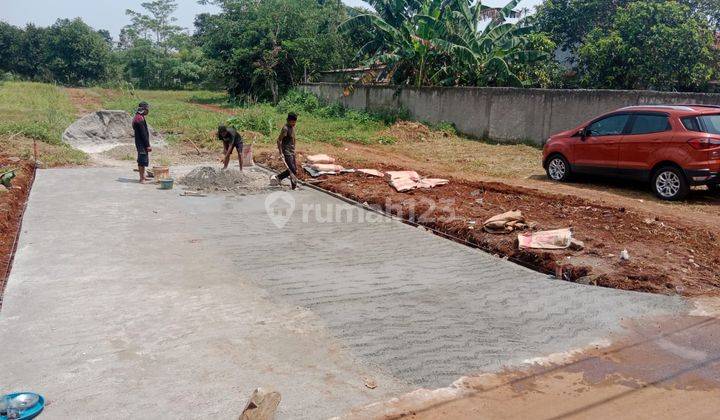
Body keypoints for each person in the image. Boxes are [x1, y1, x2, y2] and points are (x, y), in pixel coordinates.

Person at [271, 113, 298, 190]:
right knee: (292, 169)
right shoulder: (285, 128)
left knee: (294, 169)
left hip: (291, 151)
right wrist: (281, 152)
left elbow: (293, 138)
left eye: (295, 122)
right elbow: (279, 140)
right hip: (286, 152)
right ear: (288, 120)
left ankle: (279, 177)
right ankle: (293, 187)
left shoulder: (292, 127)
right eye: (292, 122)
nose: (294, 123)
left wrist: (294, 149)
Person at [132, 101, 152, 183]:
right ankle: (141, 178)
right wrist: (148, 145)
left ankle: (143, 176)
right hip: (141, 143)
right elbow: (143, 133)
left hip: (141, 142)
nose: (148, 111)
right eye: (147, 109)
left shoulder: (139, 117)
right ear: (144, 109)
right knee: (141, 160)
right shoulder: (139, 118)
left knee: (143, 160)